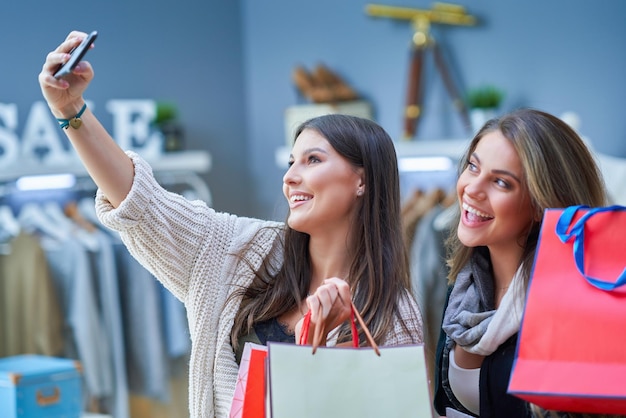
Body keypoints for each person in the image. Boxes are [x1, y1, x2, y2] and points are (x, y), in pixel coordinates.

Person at [38, 31, 424, 418]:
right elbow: (142, 203)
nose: (290, 177)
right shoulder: (239, 250)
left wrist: (321, 347)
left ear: (363, 180)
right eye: (291, 162)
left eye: (313, 160)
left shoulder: (393, 316)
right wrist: (71, 110)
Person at [432, 108, 608, 417]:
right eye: (473, 167)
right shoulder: (463, 291)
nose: (472, 189)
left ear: (541, 204)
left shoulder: (573, 310)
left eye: (501, 182)